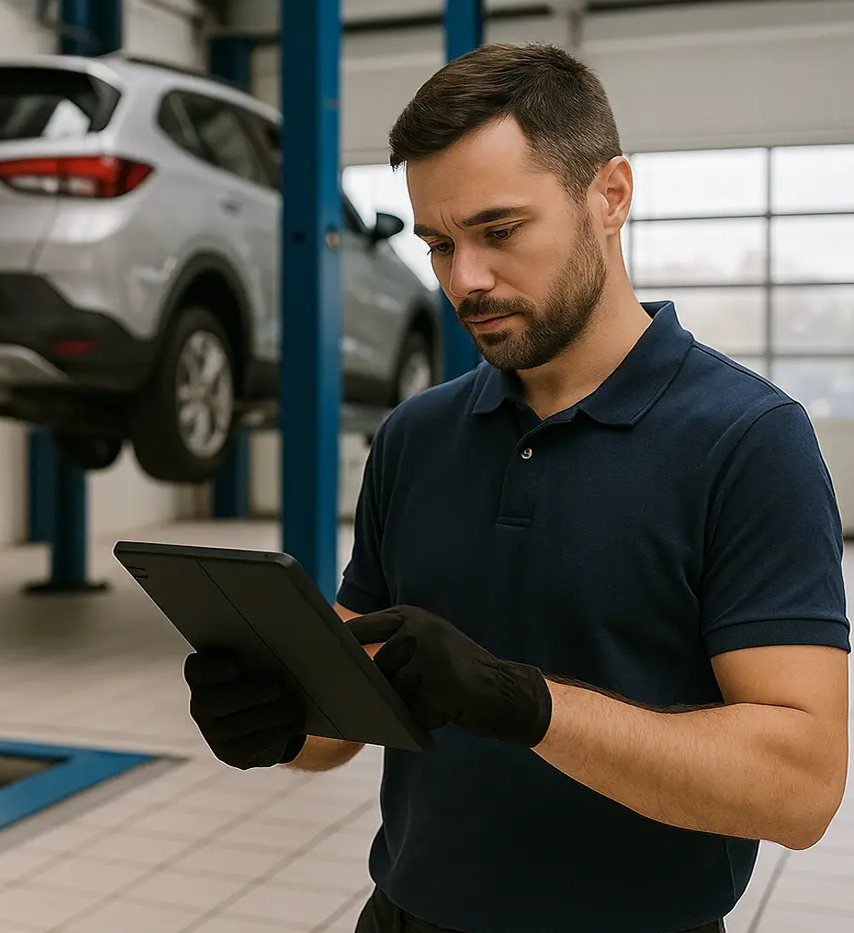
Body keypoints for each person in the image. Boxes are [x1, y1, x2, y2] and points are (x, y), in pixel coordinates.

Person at [182, 42, 850, 933]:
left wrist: (526, 703)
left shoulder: (747, 440)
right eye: (438, 244)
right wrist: (279, 722)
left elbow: (801, 786)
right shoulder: (416, 436)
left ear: (609, 196)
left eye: (500, 232)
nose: (466, 280)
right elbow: (349, 712)